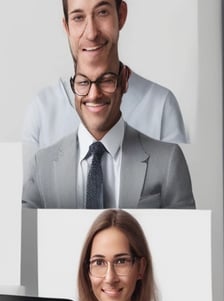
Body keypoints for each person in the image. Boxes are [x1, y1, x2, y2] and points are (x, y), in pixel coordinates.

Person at [21, 55, 195, 209]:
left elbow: (186, 242)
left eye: (106, 80)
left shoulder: (168, 161)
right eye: (83, 82)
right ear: (73, 86)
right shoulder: (41, 165)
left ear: (124, 81)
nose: (94, 94)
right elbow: (26, 241)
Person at [22, 0, 187, 156]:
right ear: (67, 27)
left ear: (121, 15)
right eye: (78, 18)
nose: (92, 33)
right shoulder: (42, 112)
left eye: (102, 12)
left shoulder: (161, 107)